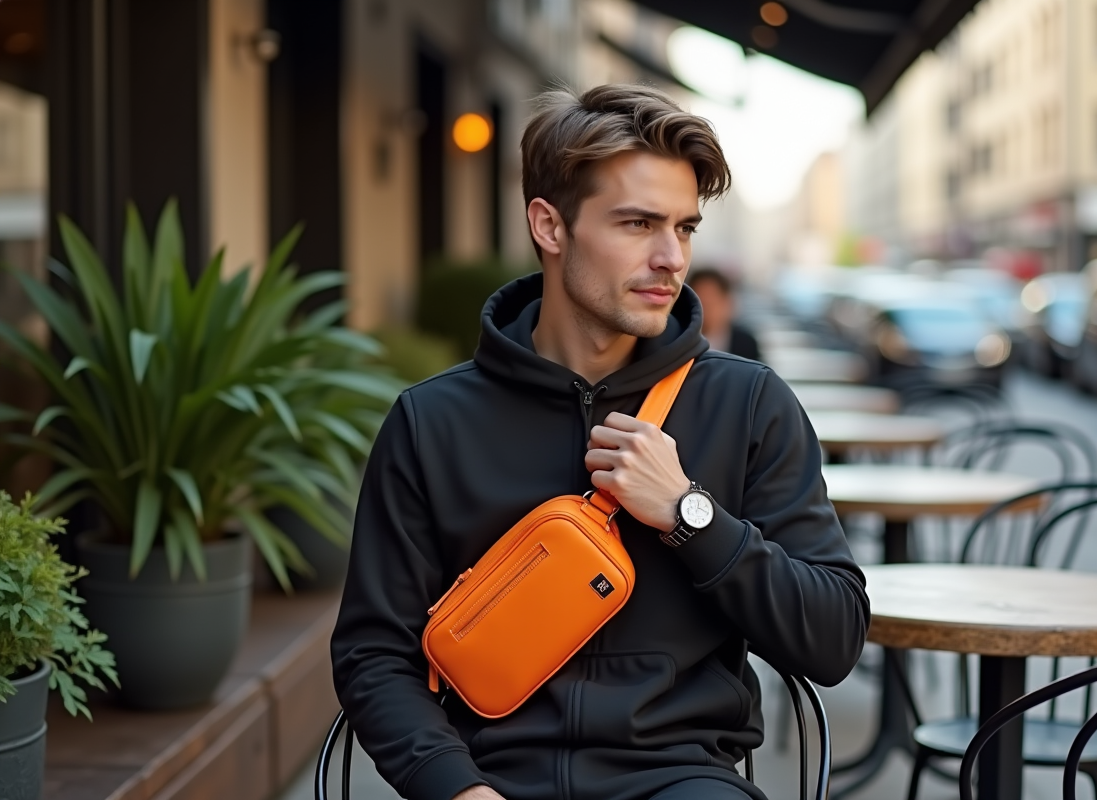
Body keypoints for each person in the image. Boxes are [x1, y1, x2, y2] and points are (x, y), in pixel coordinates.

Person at [331, 84, 868, 800]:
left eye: (684, 228)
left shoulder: (746, 403)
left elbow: (831, 638)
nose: (671, 258)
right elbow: (374, 653)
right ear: (550, 227)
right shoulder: (433, 421)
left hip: (682, 782)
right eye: (639, 223)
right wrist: (453, 786)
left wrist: (689, 514)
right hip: (489, 781)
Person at [688, 268, 761, 361]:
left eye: (712, 303)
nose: (705, 310)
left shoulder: (746, 343)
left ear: (727, 303)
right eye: (701, 303)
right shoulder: (678, 342)